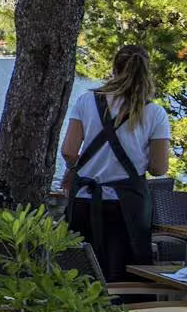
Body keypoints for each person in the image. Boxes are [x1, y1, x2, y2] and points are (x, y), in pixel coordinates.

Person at [61, 44, 170, 281]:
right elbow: (159, 168)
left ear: (113, 68)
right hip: (127, 207)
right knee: (125, 276)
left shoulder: (86, 100)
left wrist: (82, 168)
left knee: (81, 273)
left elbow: (69, 151)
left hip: (85, 200)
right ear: (146, 72)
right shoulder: (155, 113)